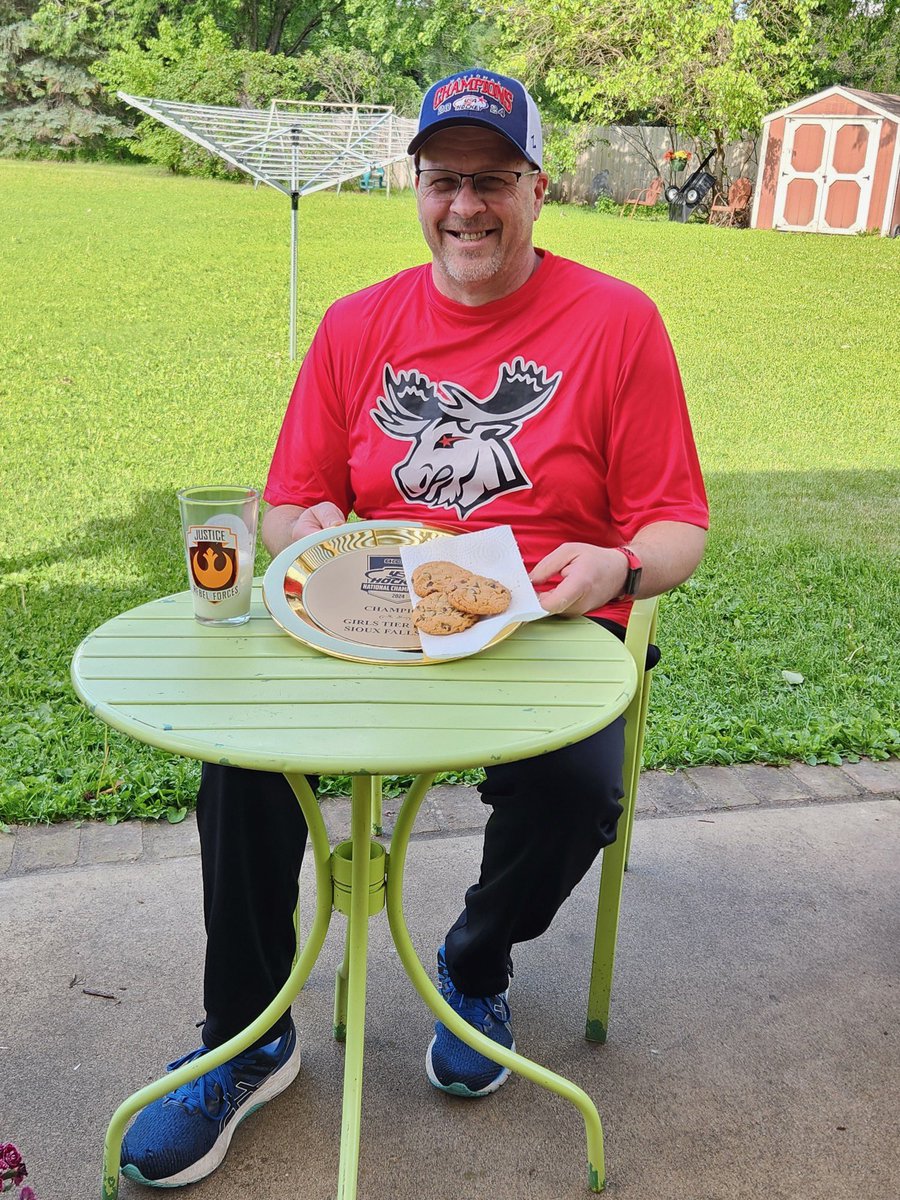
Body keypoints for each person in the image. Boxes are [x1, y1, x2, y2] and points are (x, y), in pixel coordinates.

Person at [120, 68, 709, 1188]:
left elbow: (678, 521)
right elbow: (291, 498)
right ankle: (247, 1039)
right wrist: (317, 528)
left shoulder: (618, 322)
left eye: (493, 181)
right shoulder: (357, 326)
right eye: (444, 180)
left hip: (541, 626)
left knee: (577, 789)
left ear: (539, 189)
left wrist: (622, 564)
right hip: (366, 622)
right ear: (418, 185)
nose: (466, 208)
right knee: (240, 764)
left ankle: (473, 964)